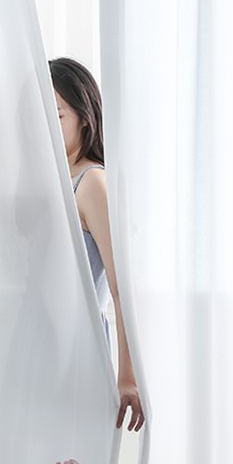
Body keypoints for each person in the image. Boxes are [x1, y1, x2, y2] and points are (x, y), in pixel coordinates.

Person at [50, 57, 145, 432]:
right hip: (40, 346)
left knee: (70, 458)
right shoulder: (54, 180)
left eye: (56, 114)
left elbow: (122, 288)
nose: (44, 123)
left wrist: (128, 377)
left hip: (77, 351)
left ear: (84, 118)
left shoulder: (91, 183)